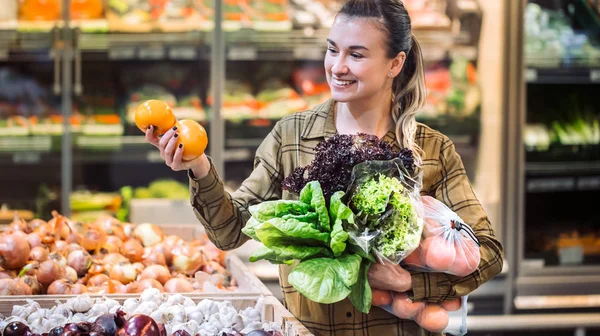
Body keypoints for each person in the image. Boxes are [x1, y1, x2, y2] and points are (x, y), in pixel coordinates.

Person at [145, 0, 504, 334]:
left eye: (356, 54)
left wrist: (410, 283)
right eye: (333, 49)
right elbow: (231, 232)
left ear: (395, 63)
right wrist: (200, 168)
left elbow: (488, 253)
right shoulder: (292, 137)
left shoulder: (431, 149)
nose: (337, 66)